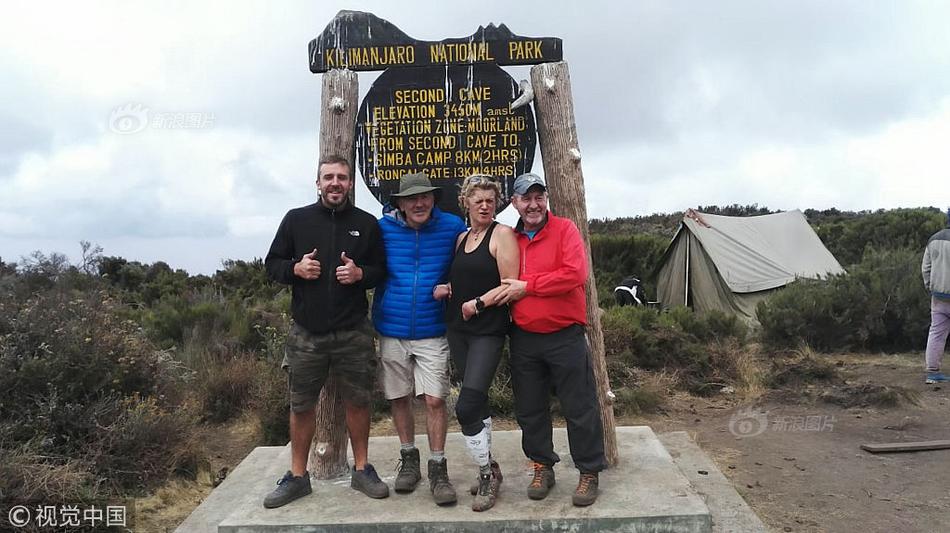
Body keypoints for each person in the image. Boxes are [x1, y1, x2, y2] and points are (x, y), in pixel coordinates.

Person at [262, 155, 389, 508]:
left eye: (342, 177)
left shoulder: (366, 224)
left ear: (350, 183)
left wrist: (360, 274)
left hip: (353, 331)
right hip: (307, 333)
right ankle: (297, 476)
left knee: (359, 401)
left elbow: (380, 269)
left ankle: (362, 469)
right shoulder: (296, 219)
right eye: (329, 177)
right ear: (317, 183)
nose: (336, 183)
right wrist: (296, 269)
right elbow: (272, 264)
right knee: (302, 404)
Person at [497, 172, 607, 507]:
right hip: (524, 337)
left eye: (538, 197)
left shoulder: (565, 230)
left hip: (565, 335)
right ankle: (542, 466)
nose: (533, 205)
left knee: (580, 406)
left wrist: (528, 286)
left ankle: (588, 471)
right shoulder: (509, 237)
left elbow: (575, 273)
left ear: (546, 200)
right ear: (514, 203)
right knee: (530, 409)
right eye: (526, 198)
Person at [372, 172, 466, 505]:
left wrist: (454, 287)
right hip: (391, 328)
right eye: (411, 198)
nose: (419, 203)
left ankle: (438, 468)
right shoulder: (382, 229)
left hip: (433, 329)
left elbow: (469, 265)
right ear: (399, 203)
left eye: (424, 196)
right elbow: (368, 267)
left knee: (435, 400)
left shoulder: (452, 227)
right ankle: (409, 460)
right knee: (399, 397)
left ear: (433, 198)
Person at [437, 174, 519, 511]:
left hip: (488, 330)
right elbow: (462, 279)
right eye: (478, 200)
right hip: (458, 330)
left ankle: (487, 473)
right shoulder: (461, 238)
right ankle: (490, 468)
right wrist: (446, 289)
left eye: (490, 200)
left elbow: (511, 284)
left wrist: (480, 303)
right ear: (466, 203)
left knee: (466, 406)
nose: (485, 206)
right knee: (479, 403)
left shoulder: (503, 235)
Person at [922, 208, 950, 384]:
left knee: (936, 333)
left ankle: (932, 372)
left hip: (939, 296)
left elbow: (926, 268)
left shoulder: (934, 239)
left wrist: (929, 286)